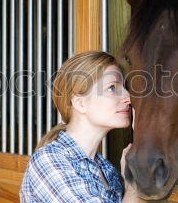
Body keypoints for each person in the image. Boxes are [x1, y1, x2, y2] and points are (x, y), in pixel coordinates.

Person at [20, 51, 140, 202]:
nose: (128, 97)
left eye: (124, 87)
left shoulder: (108, 171)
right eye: (112, 88)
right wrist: (133, 186)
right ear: (80, 103)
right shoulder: (49, 161)